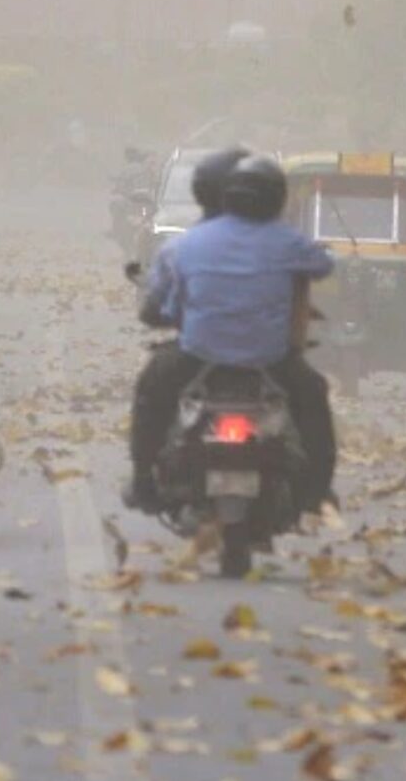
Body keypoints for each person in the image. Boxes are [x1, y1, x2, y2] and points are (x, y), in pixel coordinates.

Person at [127, 155, 339, 517]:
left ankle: (143, 481)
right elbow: (323, 265)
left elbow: (156, 305)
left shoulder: (186, 244)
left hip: (197, 356)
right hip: (271, 359)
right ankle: (317, 491)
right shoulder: (288, 242)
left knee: (151, 392)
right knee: (313, 399)